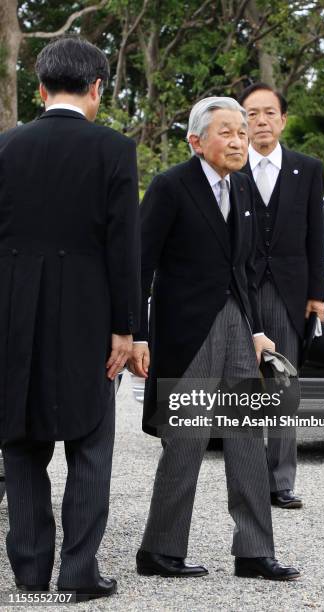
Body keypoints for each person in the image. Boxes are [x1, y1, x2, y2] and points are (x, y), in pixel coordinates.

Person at [129, 96, 299, 581]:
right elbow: (140, 266)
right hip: (188, 332)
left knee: (247, 437)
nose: (238, 141)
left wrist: (258, 330)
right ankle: (158, 550)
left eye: (242, 133)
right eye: (226, 132)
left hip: (238, 325)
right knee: (186, 439)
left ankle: (253, 551)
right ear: (196, 140)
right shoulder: (170, 187)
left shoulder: (243, 189)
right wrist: (137, 335)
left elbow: (243, 269)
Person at [0, 36, 140, 601]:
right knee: (91, 443)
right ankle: (80, 573)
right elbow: (124, 246)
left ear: (40, 88)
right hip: (88, 313)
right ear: (97, 87)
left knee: (20, 441)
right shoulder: (113, 149)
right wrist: (127, 329)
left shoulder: (5, 148)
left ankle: (31, 572)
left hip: (12, 312)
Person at [237, 83, 324, 509]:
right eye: (252, 114)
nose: (261, 122)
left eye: (269, 113)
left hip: (290, 291)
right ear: (242, 121)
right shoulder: (231, 169)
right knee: (245, 383)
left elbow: (317, 237)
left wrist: (317, 294)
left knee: (284, 384)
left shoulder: (307, 168)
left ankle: (281, 481)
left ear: (283, 119)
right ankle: (249, 479)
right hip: (241, 288)